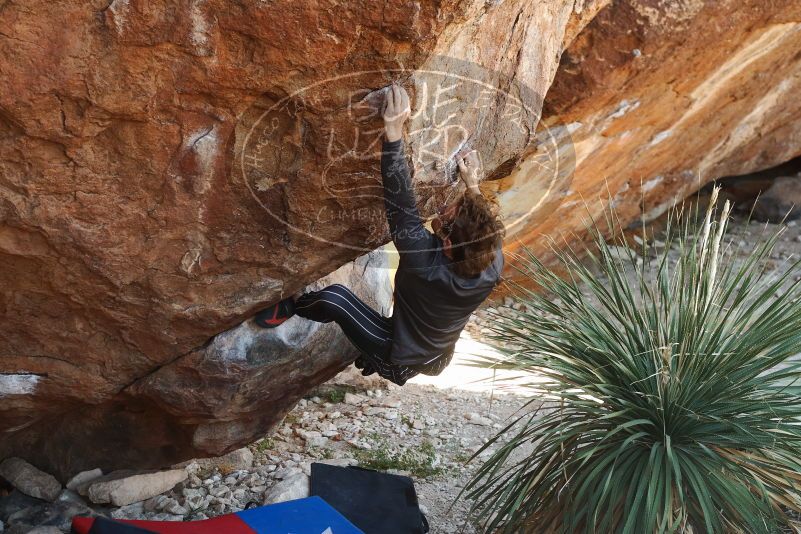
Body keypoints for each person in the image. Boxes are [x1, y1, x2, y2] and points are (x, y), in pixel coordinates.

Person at [254, 84, 505, 386]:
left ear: (448, 245)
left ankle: (296, 307)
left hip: (397, 355)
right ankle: (369, 352)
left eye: (445, 216)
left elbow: (400, 200)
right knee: (387, 323)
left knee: (336, 299)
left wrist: (393, 131)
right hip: (436, 353)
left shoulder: (423, 259)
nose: (441, 209)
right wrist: (472, 184)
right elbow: (483, 225)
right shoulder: (490, 259)